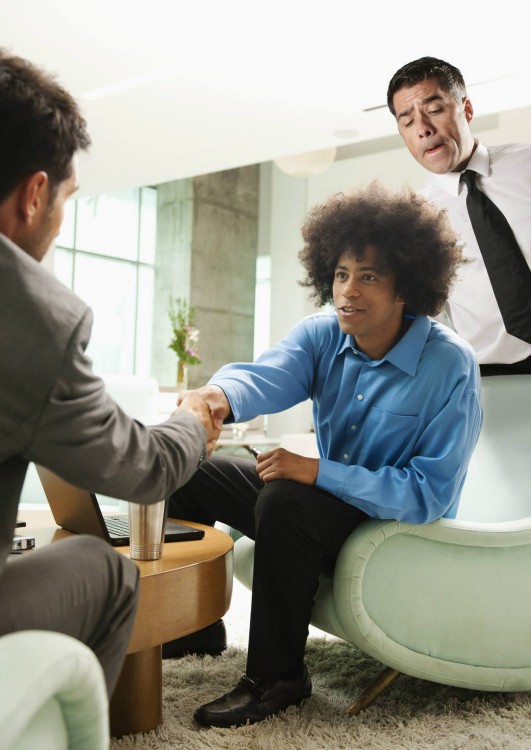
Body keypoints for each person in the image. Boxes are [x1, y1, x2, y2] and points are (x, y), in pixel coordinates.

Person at [169, 181, 483, 727]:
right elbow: (264, 377)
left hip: (394, 529)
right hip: (322, 506)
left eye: (368, 276)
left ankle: (279, 676)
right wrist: (211, 398)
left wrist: (317, 472)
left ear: (407, 286)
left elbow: (430, 494)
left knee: (286, 501)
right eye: (340, 274)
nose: (348, 291)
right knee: (190, 469)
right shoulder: (322, 336)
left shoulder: (449, 365)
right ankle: (194, 628)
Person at [0, 48, 217, 697]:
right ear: (34, 194)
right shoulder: (31, 318)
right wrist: (192, 422)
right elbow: (144, 469)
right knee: (103, 570)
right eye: (66, 198)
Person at [387, 56, 531, 375]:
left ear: (466, 109)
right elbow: (427, 319)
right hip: (491, 376)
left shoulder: (527, 165)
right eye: (407, 121)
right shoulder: (412, 222)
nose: (423, 129)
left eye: (434, 110)